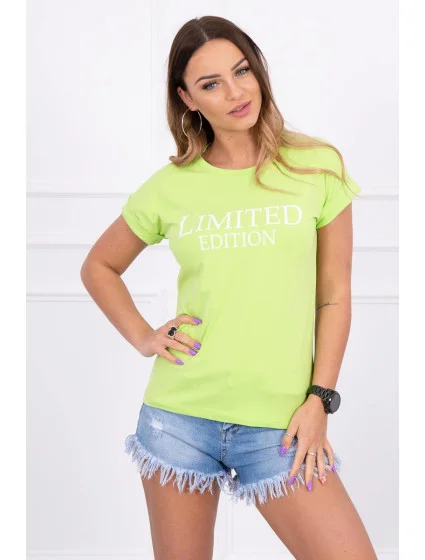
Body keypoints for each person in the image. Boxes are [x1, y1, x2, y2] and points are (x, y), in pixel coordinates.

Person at [80, 15, 378, 560]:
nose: (236, 92)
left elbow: (334, 293)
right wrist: (144, 337)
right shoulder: (170, 187)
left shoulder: (316, 167)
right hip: (179, 421)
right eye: (211, 83)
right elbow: (99, 266)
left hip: (282, 425)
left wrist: (320, 399)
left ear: (258, 70)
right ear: (187, 99)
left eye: (242, 71)